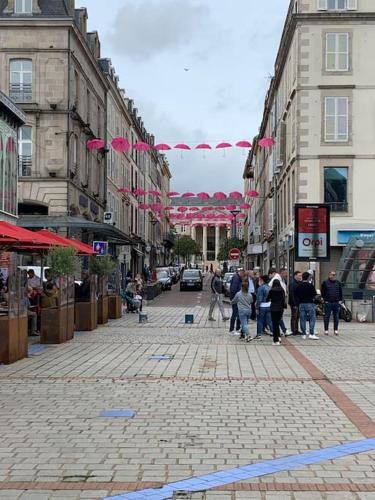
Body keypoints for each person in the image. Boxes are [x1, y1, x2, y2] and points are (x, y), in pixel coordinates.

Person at [294, 271, 319, 340]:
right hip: (310, 304)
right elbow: (315, 294)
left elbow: (296, 295)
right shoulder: (311, 286)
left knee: (302, 319)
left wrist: (297, 304)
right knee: (312, 318)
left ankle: (304, 334)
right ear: (308, 278)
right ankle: (311, 333)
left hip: (301, 304)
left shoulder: (299, 286)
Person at [269, 267, 292, 336]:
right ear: (282, 273)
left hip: (279, 301)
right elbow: (270, 287)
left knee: (278, 317)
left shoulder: (281, 279)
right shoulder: (276, 278)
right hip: (277, 302)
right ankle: (283, 330)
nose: (286, 275)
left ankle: (275, 330)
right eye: (285, 273)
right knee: (278, 317)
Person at [321, 271, 343, 336]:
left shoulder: (338, 283)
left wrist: (340, 300)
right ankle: (326, 330)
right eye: (331, 274)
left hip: (336, 302)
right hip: (328, 302)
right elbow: (322, 292)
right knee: (326, 316)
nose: (332, 276)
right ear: (329, 275)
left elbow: (340, 292)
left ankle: (336, 330)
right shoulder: (325, 283)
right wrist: (324, 300)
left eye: (334, 275)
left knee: (336, 317)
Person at [266, 279, 286, 346]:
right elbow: (284, 299)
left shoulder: (272, 290)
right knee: (278, 322)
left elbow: (267, 299)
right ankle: (279, 337)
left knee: (275, 324)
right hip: (280, 309)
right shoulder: (282, 290)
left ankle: (276, 340)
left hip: (273, 308)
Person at [229, 268, 245, 334]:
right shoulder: (236, 278)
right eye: (243, 274)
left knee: (238, 314)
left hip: (237, 299)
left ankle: (237, 328)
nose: (243, 276)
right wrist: (235, 299)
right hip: (236, 299)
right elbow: (233, 290)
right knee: (235, 314)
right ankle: (232, 330)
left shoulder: (237, 278)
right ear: (241, 272)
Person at [289, 271, 302, 335]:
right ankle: (293, 330)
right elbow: (292, 295)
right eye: (299, 275)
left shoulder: (299, 283)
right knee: (294, 317)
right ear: (295, 276)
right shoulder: (293, 284)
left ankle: (296, 330)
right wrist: (294, 304)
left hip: (298, 302)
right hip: (294, 303)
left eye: (301, 275)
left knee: (297, 317)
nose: (300, 277)